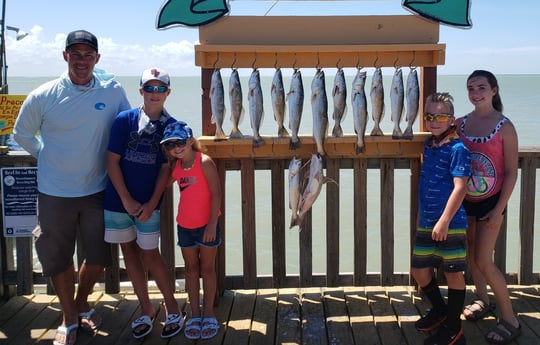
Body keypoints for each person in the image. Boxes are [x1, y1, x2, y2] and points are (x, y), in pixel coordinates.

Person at [13, 30, 131, 345]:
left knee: (97, 256)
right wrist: (46, 156)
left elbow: (130, 125)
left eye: (88, 54)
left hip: (98, 189)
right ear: (65, 56)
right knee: (57, 257)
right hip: (54, 192)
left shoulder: (113, 90)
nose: (82, 60)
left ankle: (80, 304)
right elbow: (22, 133)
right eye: (75, 54)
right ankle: (69, 317)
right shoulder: (43, 95)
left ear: (97, 58)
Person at [103, 67, 185, 339]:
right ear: (140, 91)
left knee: (151, 254)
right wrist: (126, 199)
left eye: (160, 88)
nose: (154, 93)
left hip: (148, 205)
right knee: (129, 253)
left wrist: (152, 203)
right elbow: (112, 161)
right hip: (117, 201)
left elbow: (166, 169)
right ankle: (146, 308)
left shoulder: (170, 126)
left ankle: (173, 307)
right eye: (149, 88)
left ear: (168, 93)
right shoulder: (123, 120)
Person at [456, 70, 520, 344]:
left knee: (484, 259)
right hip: (465, 200)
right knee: (471, 253)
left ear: (494, 90)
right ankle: (483, 299)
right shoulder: (460, 124)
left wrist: (498, 210)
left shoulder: (504, 126)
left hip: (492, 202)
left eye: (481, 87)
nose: (475, 93)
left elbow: (511, 172)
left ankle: (510, 319)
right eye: (471, 88)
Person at [411, 92, 471, 345]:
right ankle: (440, 309)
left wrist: (445, 220)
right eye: (429, 116)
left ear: (452, 120)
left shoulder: (459, 149)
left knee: (454, 273)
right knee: (419, 270)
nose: (434, 121)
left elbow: (460, 187)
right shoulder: (429, 143)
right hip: (427, 221)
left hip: (451, 223)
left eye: (441, 116)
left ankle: (454, 326)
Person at [161, 120, 221, 340]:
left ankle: (209, 312)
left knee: (207, 270)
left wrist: (212, 224)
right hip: (185, 226)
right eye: (170, 144)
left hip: (207, 226)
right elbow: (162, 183)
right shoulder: (174, 167)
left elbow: (216, 194)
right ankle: (195, 313)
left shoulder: (204, 161)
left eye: (181, 142)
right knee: (191, 270)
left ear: (191, 141)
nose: (177, 147)